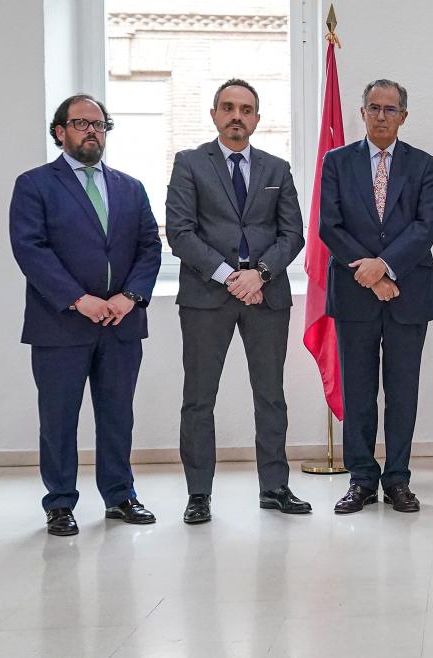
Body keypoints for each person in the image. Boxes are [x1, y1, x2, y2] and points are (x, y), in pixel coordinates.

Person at [9, 94, 162, 536]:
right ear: (60, 132)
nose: (91, 131)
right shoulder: (35, 184)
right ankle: (59, 503)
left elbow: (150, 246)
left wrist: (130, 296)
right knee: (59, 417)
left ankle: (120, 496)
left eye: (99, 124)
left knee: (117, 413)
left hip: (121, 323)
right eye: (80, 123)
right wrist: (79, 299)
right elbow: (30, 250)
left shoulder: (130, 186)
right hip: (60, 324)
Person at [166, 78, 309, 523]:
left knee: (270, 395)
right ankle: (199, 494)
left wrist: (259, 274)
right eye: (228, 108)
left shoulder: (276, 168)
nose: (236, 116)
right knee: (198, 398)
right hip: (207, 295)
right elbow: (180, 232)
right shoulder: (190, 163)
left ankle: (275, 487)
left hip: (266, 295)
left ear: (257, 119)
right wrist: (232, 276)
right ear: (213, 114)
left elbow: (293, 234)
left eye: (246, 110)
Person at [320, 79, 433, 514]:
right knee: (358, 390)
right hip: (355, 293)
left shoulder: (423, 164)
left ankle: (398, 480)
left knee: (403, 390)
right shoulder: (336, 162)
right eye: (374, 107)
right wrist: (370, 274)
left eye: (391, 110)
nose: (382, 116)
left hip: (409, 291)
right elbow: (329, 226)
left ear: (403, 116)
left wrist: (386, 267)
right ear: (362, 112)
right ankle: (361, 479)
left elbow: (426, 226)